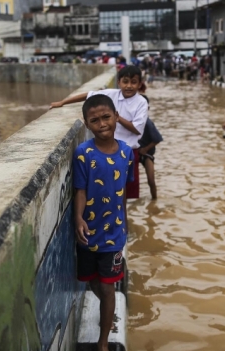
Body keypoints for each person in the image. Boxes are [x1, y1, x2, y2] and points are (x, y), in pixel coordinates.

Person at [73, 94, 134, 351]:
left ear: (116, 117)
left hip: (114, 235)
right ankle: (107, 313)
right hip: (88, 231)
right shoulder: (83, 154)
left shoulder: (127, 152)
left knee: (108, 289)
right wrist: (78, 218)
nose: (102, 124)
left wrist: (125, 224)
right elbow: (81, 191)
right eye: (95, 120)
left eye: (106, 117)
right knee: (90, 280)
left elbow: (122, 193)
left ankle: (103, 342)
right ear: (87, 124)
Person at [51, 65, 148, 198]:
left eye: (133, 82)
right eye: (125, 81)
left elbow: (137, 129)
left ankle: (123, 217)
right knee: (105, 189)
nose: (129, 86)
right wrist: (62, 102)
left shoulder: (141, 102)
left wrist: (118, 118)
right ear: (119, 82)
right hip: (104, 150)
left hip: (128, 152)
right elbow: (88, 95)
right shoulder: (111, 94)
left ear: (140, 84)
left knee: (126, 192)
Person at [138, 95, 163, 199]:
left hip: (146, 154)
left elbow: (157, 139)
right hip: (134, 152)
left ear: (147, 109)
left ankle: (154, 200)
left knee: (151, 180)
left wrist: (145, 149)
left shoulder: (148, 123)